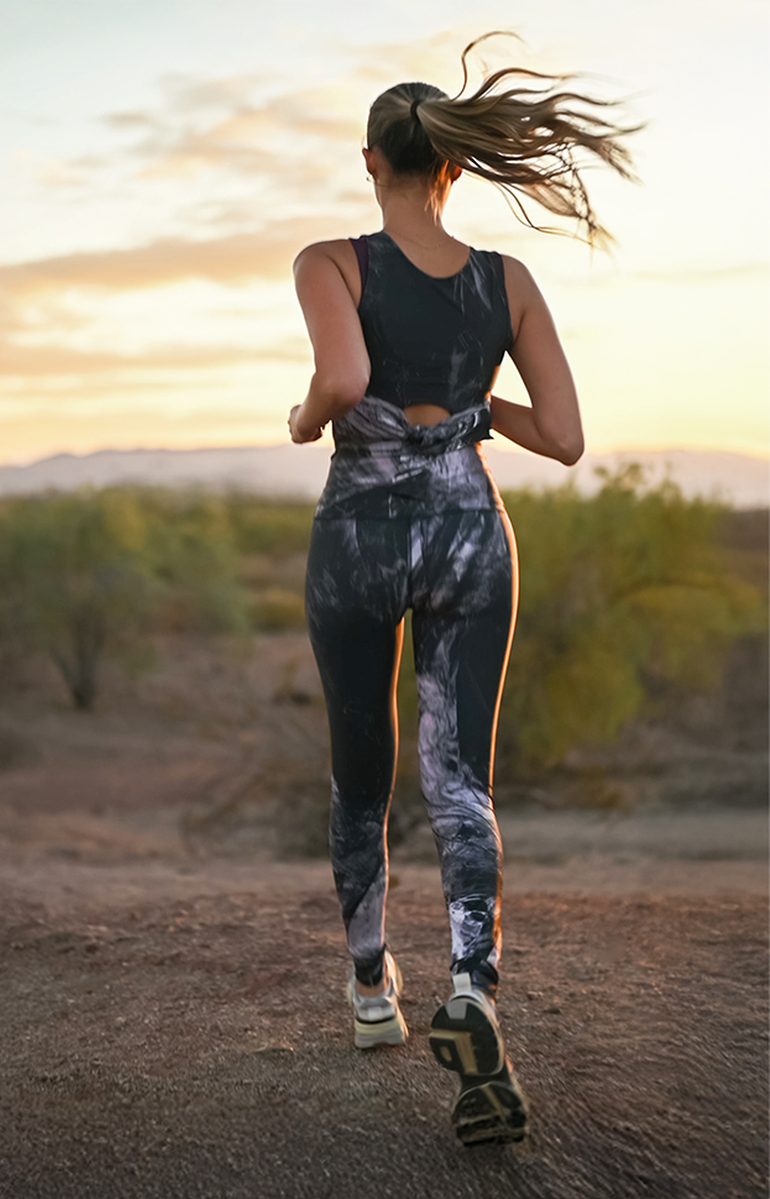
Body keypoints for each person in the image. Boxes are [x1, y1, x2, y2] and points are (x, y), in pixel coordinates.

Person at [288, 35, 637, 1147]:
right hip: (469, 538)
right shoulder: (506, 280)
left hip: (358, 535)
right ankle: (472, 989)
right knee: (456, 773)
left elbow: (341, 379)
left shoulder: (331, 262)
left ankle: (367, 988)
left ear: (369, 163)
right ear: (453, 168)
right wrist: (474, 415)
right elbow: (567, 438)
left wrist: (306, 419)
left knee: (362, 762)